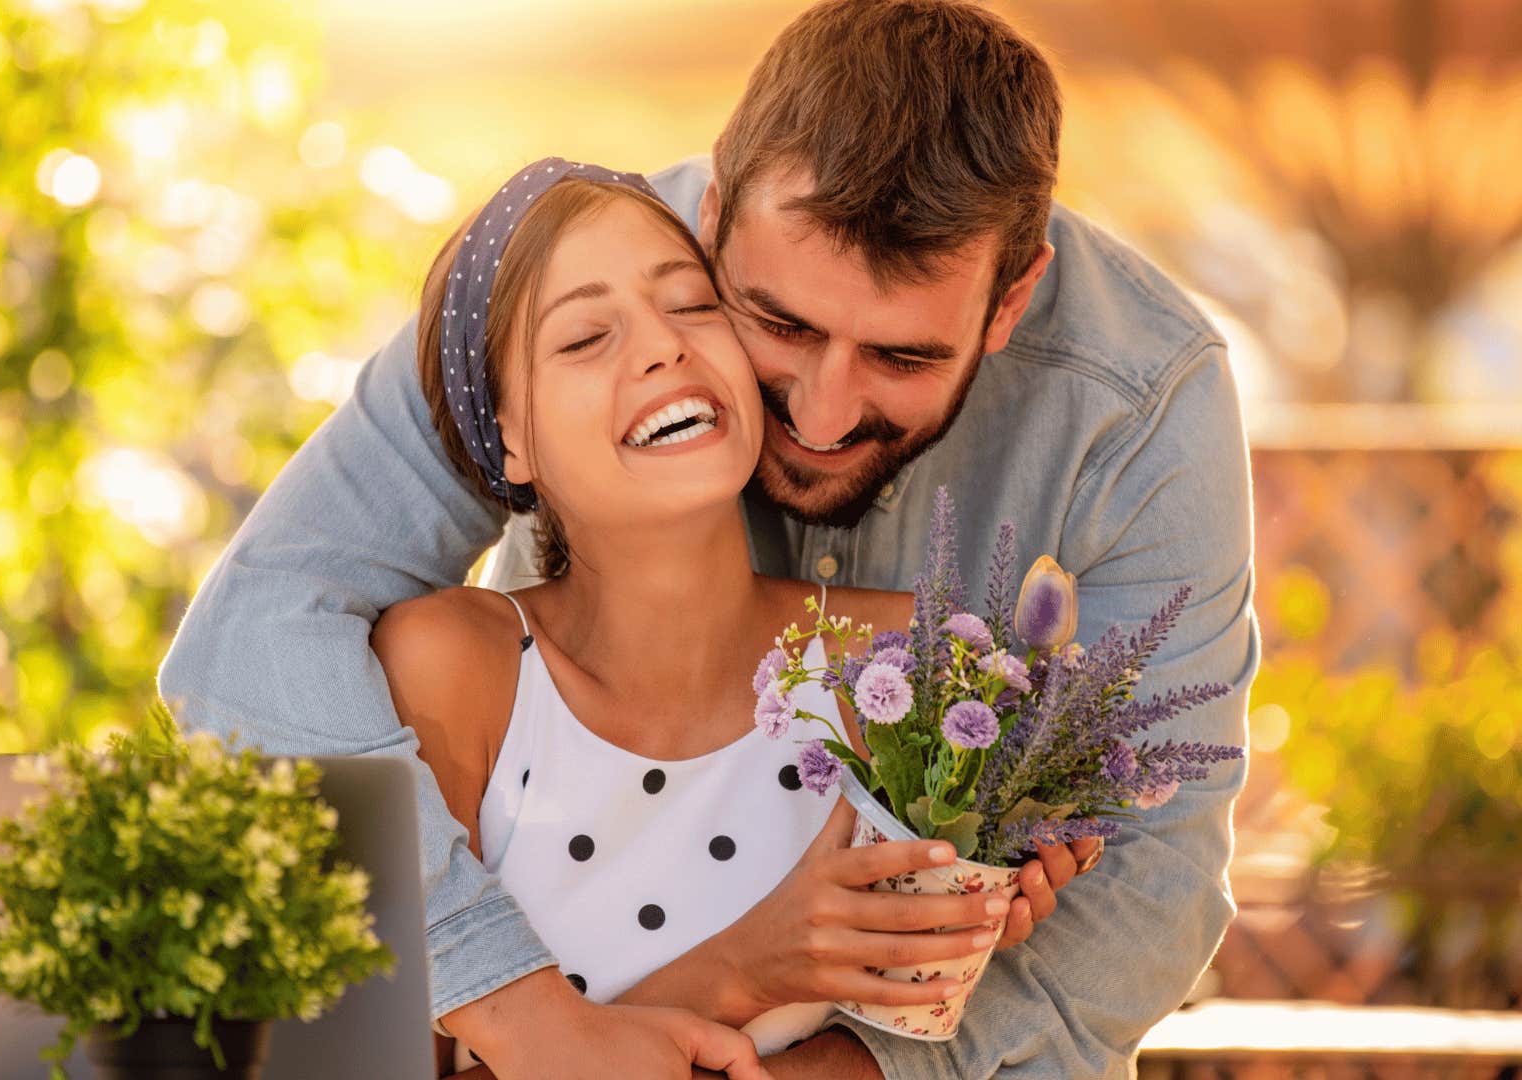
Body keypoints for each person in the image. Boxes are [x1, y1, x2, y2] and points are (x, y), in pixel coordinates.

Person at [160, 1, 1256, 1076]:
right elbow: (258, 633)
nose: (822, 418)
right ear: (717, 211)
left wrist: (904, 986)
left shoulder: (1140, 402)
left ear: (1011, 302)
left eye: (903, 359)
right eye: (775, 323)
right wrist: (517, 1000)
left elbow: (1145, 887)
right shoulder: (569, 268)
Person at [370, 160, 1040, 1077]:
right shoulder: (456, 668)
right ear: (510, 437)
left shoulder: (911, 662)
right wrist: (746, 966)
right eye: (584, 338)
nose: (662, 349)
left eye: (690, 304)